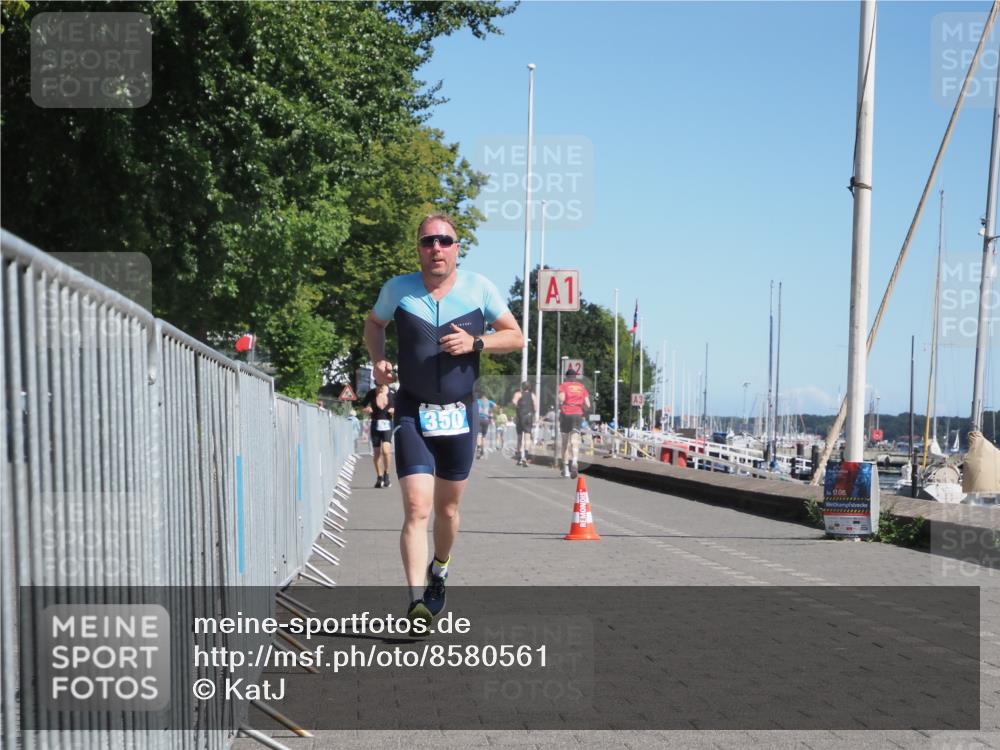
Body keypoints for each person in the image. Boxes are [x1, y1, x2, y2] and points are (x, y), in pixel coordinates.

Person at [363, 213, 524, 628]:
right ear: (418, 247)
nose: (436, 248)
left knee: (447, 511)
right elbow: (374, 323)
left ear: (457, 247)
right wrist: (377, 360)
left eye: (445, 241)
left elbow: (516, 335)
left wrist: (478, 342)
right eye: (428, 241)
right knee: (417, 507)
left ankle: (441, 566)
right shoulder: (398, 289)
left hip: (459, 415)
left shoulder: (479, 288)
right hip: (413, 411)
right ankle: (416, 601)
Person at [360, 383, 395, 488]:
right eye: (378, 386)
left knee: (386, 450)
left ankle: (387, 474)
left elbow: (401, 406)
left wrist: (394, 410)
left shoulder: (392, 393)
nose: (380, 388)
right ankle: (379, 477)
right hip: (375, 424)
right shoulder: (371, 393)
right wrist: (367, 409)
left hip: (387, 423)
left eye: (382, 386)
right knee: (377, 453)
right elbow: (362, 406)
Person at [558, 367, 591, 478]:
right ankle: (575, 462)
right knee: (575, 439)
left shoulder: (564, 386)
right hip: (578, 414)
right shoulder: (582, 387)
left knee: (565, 442)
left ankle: (566, 469)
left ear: (567, 377)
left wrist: (560, 402)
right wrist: (581, 408)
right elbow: (588, 405)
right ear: (575, 378)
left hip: (566, 413)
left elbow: (561, 399)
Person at [511, 381, 535, 466]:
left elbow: (514, 402)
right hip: (529, 416)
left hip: (520, 416)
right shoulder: (532, 395)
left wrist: (517, 407)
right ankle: (525, 456)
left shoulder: (518, 394)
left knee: (520, 437)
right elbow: (535, 406)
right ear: (529, 387)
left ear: (522, 387)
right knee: (527, 437)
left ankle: (519, 457)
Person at [475, 394, 496, 459]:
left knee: (479, 434)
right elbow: (495, 405)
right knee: (483, 436)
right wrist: (490, 410)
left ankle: (478, 447)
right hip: (486, 419)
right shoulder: (489, 402)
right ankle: (482, 450)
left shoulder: (478, 401)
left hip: (478, 418)